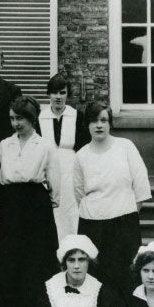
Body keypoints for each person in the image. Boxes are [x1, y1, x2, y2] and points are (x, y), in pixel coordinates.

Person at [0, 95, 60, 307]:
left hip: (35, 205)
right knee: (10, 262)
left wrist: (48, 203)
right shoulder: (4, 144)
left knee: (34, 262)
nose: (15, 123)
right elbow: (3, 176)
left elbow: (54, 180)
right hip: (11, 204)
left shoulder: (44, 145)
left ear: (32, 119)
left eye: (20, 118)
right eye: (12, 118)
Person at [74, 101, 152, 307]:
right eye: (93, 121)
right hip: (92, 223)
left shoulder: (125, 146)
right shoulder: (81, 155)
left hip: (124, 221)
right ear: (87, 125)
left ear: (110, 123)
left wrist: (129, 212)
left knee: (126, 273)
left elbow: (140, 182)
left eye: (103, 120)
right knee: (97, 275)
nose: (99, 125)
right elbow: (79, 191)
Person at [36, 74, 90, 241]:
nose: (58, 97)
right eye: (54, 93)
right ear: (48, 94)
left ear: (67, 94)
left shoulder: (77, 116)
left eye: (62, 92)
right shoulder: (39, 118)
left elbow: (84, 147)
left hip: (71, 170)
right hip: (48, 169)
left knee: (71, 210)